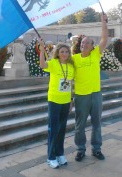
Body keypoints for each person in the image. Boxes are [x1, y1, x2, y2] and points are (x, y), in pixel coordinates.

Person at [72, 14, 108, 162]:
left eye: (87, 43)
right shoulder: (74, 59)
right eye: (82, 43)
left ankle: (96, 149)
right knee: (79, 126)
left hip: (96, 94)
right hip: (81, 96)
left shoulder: (95, 55)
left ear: (92, 46)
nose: (84, 45)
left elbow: (105, 39)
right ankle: (80, 150)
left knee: (96, 124)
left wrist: (103, 23)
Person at [39, 39, 75, 169]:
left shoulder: (71, 66)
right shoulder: (54, 63)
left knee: (62, 129)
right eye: (62, 51)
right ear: (58, 53)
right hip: (54, 100)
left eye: (66, 51)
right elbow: (42, 65)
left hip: (66, 101)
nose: (64, 54)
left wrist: (71, 100)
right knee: (53, 129)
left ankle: (60, 154)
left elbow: (70, 84)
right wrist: (42, 50)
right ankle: (51, 157)